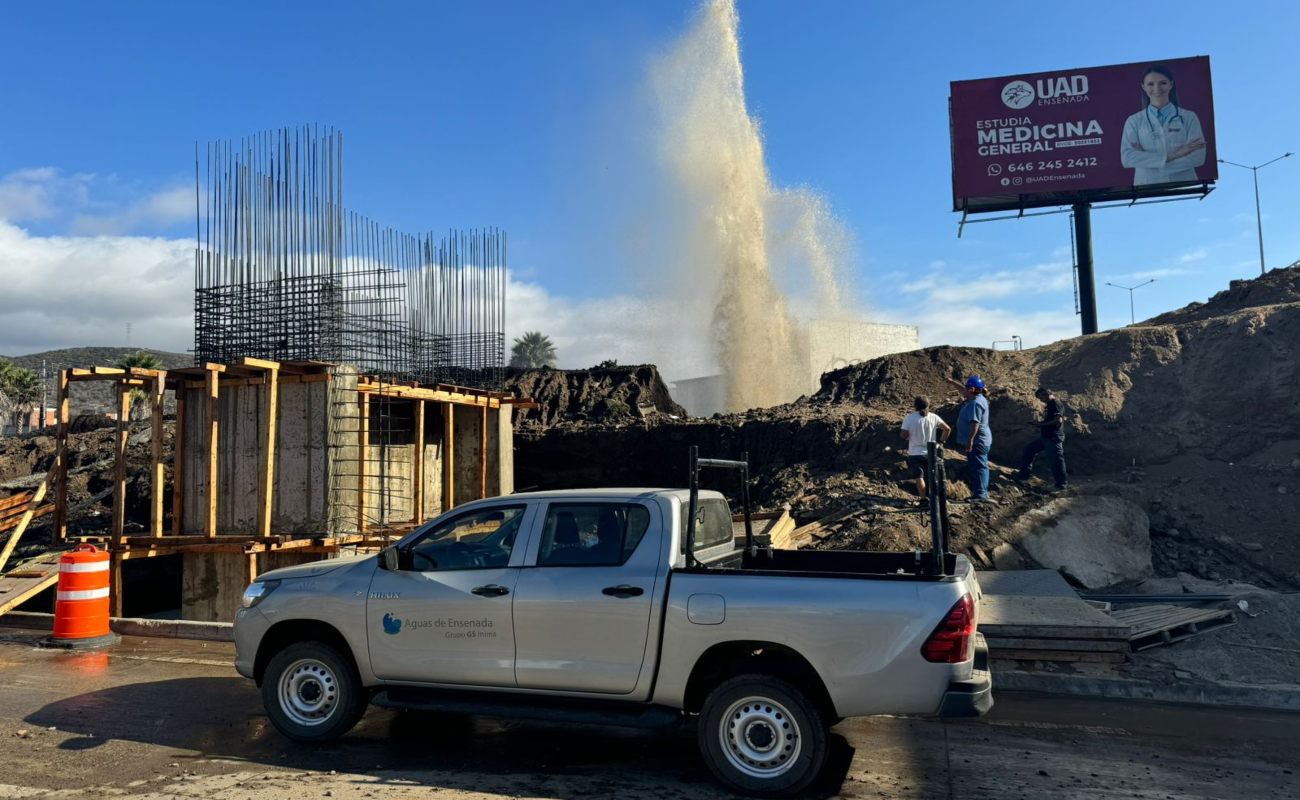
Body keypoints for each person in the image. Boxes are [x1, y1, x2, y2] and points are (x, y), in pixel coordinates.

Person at [1119, 64, 1207, 186]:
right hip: (1147, 187)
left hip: (1184, 186)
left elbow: (1197, 157)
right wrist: (1176, 155)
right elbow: (1128, 158)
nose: (1157, 89)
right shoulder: (1133, 121)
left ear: (1171, 84)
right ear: (1143, 87)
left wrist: (1149, 160)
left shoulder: (1188, 117)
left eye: (1163, 83)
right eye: (1150, 84)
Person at [946, 375, 994, 503]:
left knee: (979, 467)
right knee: (980, 466)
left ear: (972, 389)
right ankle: (982, 492)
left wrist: (970, 440)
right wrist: (952, 382)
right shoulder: (978, 397)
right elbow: (964, 390)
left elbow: (975, 423)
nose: (964, 391)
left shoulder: (975, 404)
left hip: (977, 441)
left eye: (967, 388)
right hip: (981, 440)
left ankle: (981, 494)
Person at [899, 396, 951, 507]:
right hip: (931, 452)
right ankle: (937, 498)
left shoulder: (909, 418)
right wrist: (941, 442)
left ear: (915, 406)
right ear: (928, 405)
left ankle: (923, 499)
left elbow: (903, 435)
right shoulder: (934, 417)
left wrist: (909, 435)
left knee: (919, 476)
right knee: (933, 475)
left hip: (915, 452)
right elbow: (947, 429)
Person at [1017, 388, 1067, 491]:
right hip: (1046, 437)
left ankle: (1061, 485)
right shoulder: (1050, 405)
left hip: (1053, 437)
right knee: (1029, 450)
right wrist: (1040, 423)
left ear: (1047, 394)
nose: (1041, 400)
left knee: (1056, 461)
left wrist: (1042, 425)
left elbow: (1058, 420)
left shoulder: (1055, 403)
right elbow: (1051, 419)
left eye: (1041, 397)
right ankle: (1023, 475)